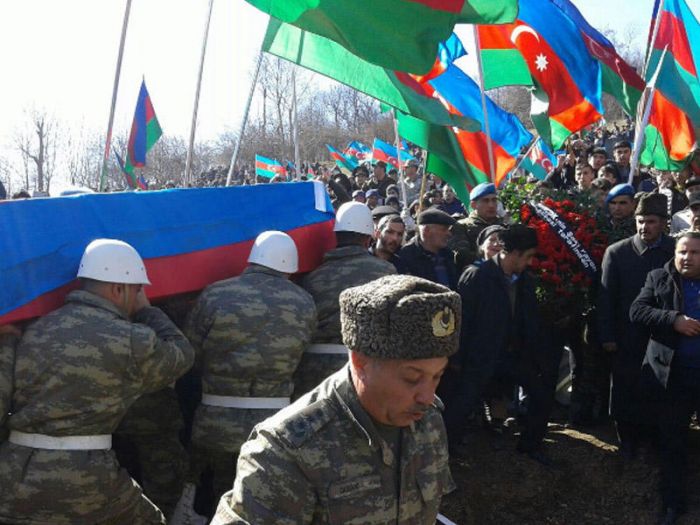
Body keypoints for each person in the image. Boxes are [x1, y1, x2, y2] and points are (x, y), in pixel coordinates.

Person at [211, 275, 460, 524]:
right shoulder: (286, 451)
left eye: (437, 376)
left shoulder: (428, 420)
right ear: (360, 363)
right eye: (412, 378)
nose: (427, 397)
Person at [0, 239, 195, 524]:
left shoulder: (32, 331)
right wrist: (147, 310)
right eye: (137, 289)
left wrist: (5, 342)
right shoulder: (130, 339)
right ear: (119, 288)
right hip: (88, 482)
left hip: (12, 479)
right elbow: (182, 355)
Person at [183, 231, 317, 517]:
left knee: (215, 499)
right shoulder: (304, 303)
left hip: (215, 425)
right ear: (290, 266)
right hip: (275, 427)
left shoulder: (215, 294)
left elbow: (190, 354)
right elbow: (303, 357)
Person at [443, 226, 552, 464]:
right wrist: (456, 358)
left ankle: (530, 445)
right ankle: (445, 455)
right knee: (461, 404)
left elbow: (529, 319)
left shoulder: (524, 280)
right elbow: (462, 320)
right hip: (480, 356)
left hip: (512, 355)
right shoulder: (476, 276)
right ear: (512, 253)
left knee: (541, 393)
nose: (530, 262)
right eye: (528, 256)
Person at [597, 193, 675, 460]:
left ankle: (650, 440)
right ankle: (626, 440)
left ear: (664, 223)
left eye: (651, 221)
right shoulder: (617, 253)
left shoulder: (676, 251)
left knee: (657, 390)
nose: (645, 227)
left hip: (663, 336)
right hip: (626, 334)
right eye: (640, 221)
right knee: (624, 389)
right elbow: (605, 297)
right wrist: (607, 335)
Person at [630, 231, 700, 524]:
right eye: (682, 251)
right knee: (673, 442)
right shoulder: (659, 277)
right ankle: (673, 504)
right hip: (673, 377)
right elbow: (637, 311)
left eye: (694, 253)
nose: (687, 257)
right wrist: (673, 320)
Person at [294, 202, 396, 398]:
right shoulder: (385, 272)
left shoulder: (312, 277)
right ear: (368, 239)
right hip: (365, 367)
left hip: (314, 369)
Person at [397, 208, 459, 290]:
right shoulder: (406, 257)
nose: (449, 234)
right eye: (444, 229)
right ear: (426, 230)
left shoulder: (449, 254)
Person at [450, 182, 505, 273]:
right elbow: (461, 256)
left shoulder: (503, 227)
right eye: (485, 201)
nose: (491, 205)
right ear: (473, 205)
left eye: (494, 200)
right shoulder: (461, 226)